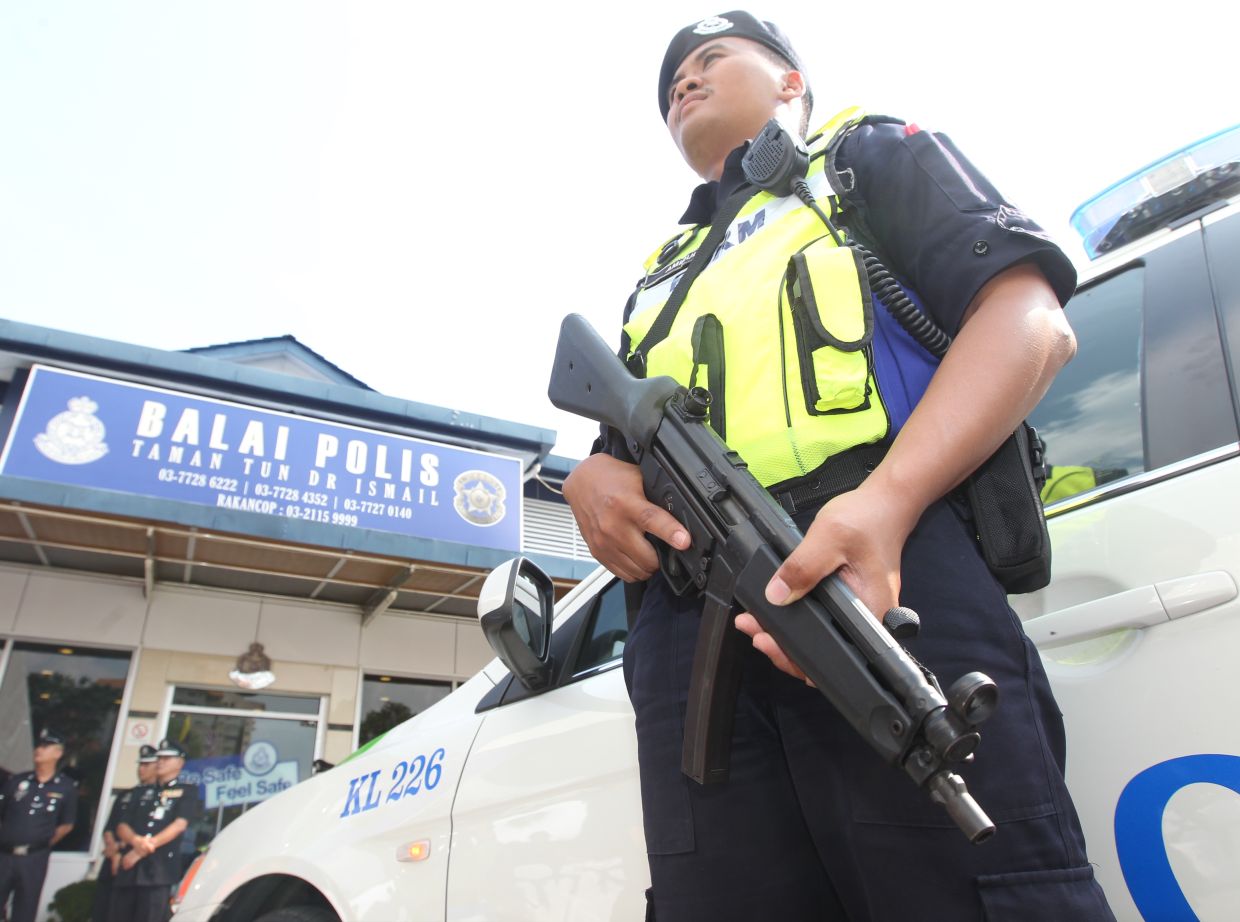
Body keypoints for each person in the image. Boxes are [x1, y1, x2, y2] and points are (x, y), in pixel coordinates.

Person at [562, 11, 1117, 921]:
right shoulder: (663, 269)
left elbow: (1030, 322)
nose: (683, 84)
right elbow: (620, 445)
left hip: (876, 566)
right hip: (686, 616)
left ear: (790, 82)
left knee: (972, 893)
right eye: (671, 84)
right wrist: (591, 479)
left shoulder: (861, 159)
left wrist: (887, 504)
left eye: (710, 60)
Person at [111, 738, 201, 922]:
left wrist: (143, 849)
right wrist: (137, 842)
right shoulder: (141, 792)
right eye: (159, 758)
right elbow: (122, 826)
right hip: (130, 870)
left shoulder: (186, 791)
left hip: (158, 871)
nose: (160, 762)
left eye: (167, 758)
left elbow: (179, 825)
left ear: (180, 763)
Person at [0, 729, 78, 922]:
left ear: (57, 753)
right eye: (38, 745)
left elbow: (67, 824)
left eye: (45, 747)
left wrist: (41, 843)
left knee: (25, 908)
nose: (39, 750)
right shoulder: (17, 781)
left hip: (34, 858)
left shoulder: (65, 787)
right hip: (5, 855)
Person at [91, 744, 158, 922]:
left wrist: (122, 848)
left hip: (133, 864)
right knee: (102, 911)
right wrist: (113, 852)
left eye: (146, 765)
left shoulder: (159, 796)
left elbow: (147, 831)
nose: (141, 769)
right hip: (112, 863)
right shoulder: (126, 795)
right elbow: (110, 828)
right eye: (140, 764)